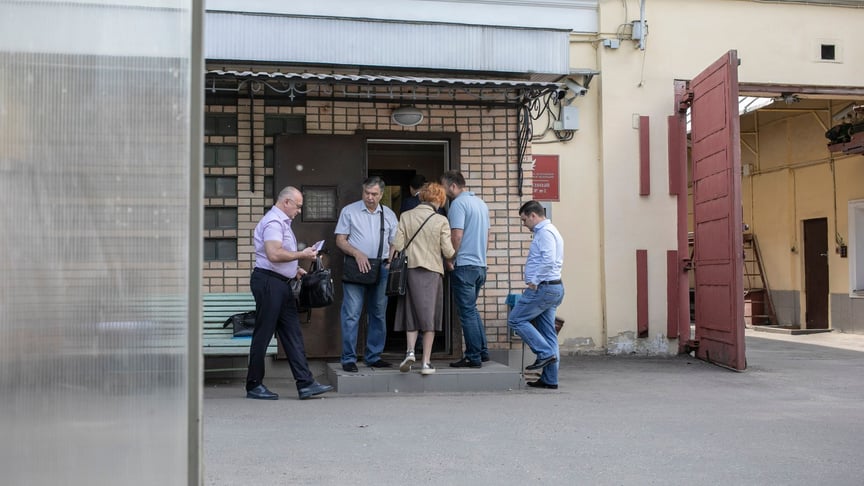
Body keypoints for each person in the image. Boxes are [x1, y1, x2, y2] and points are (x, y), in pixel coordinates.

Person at [247, 186, 334, 400]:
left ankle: (305, 384)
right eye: (298, 206)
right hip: (269, 283)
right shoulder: (274, 222)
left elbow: (277, 258)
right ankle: (253, 385)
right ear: (286, 202)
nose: (299, 211)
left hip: (281, 283)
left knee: (293, 333)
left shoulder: (282, 222)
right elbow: (274, 254)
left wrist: (294, 269)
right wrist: (302, 254)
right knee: (264, 334)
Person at [390, 182, 456, 375]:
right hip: (432, 272)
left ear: (421, 197)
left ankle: (410, 352)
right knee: (430, 318)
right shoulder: (441, 221)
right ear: (439, 200)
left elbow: (399, 245)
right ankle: (426, 363)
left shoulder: (406, 216)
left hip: (410, 271)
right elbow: (448, 251)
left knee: (411, 313)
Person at [335, 176, 399, 372]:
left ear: (381, 194)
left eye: (374, 194)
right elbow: (340, 240)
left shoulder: (388, 214)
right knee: (352, 314)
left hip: (381, 268)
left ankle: (373, 356)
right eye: (366, 193)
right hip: (356, 266)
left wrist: (390, 258)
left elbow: (394, 241)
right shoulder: (349, 211)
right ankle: (348, 358)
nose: (369, 197)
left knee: (378, 314)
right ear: (362, 191)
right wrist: (357, 253)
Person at [507, 200, 565, 389]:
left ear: (533, 215)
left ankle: (544, 353)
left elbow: (548, 260)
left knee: (516, 319)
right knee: (549, 334)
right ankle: (550, 379)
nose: (524, 224)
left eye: (524, 220)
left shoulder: (545, 233)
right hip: (553, 288)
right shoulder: (551, 231)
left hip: (543, 288)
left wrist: (535, 280)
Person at [440, 170, 490, 368]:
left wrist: (450, 257)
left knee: (467, 312)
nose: (443, 191)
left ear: (453, 186)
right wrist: (482, 259)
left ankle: (473, 356)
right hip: (479, 265)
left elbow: (457, 235)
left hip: (464, 266)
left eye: (444, 186)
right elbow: (488, 235)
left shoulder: (458, 204)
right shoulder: (481, 203)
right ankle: (483, 352)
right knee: (472, 310)